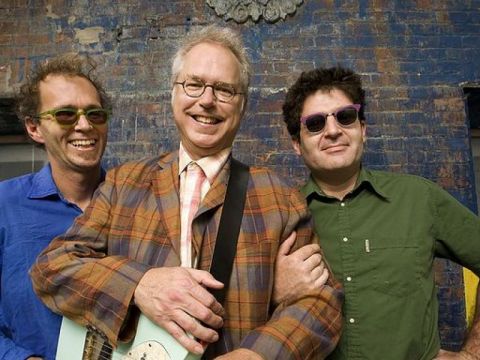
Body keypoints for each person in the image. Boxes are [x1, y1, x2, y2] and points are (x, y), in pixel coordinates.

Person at [30, 26, 343, 359]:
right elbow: (53, 267)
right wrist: (140, 284)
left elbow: (323, 304)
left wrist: (260, 354)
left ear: (242, 105)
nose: (206, 100)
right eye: (194, 84)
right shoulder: (124, 184)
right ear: (173, 93)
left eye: (224, 90)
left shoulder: (279, 197)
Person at [281, 65, 480, 359]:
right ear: (297, 143)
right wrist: (274, 291)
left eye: (346, 117)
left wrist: (472, 353)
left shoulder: (419, 198)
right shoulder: (281, 216)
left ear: (363, 129)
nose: (333, 131)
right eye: (315, 124)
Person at [0, 54, 110, 359]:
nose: (85, 125)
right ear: (35, 128)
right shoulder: (4, 206)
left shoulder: (136, 202)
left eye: (95, 114)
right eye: (65, 114)